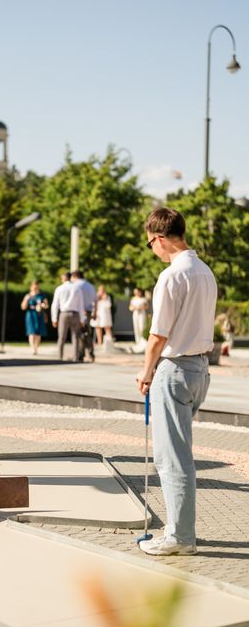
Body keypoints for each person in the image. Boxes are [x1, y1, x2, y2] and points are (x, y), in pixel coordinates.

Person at [136, 206, 217, 556]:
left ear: (159, 239)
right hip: (200, 369)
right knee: (179, 451)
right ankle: (178, 528)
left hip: (175, 370)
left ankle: (180, 536)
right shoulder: (204, 271)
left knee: (172, 457)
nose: (152, 250)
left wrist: (145, 372)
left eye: (150, 244)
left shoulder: (171, 276)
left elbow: (158, 336)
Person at [50, 272, 85, 362]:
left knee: (61, 336)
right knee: (75, 336)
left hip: (64, 314)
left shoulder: (59, 289)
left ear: (64, 278)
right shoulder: (77, 288)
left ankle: (60, 357)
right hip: (75, 314)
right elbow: (81, 305)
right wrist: (82, 319)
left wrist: (54, 318)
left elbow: (55, 305)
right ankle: (75, 357)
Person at [71, 270, 97, 362]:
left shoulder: (75, 286)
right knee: (87, 333)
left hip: (79, 312)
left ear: (75, 276)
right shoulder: (90, 286)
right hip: (89, 311)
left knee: (80, 333)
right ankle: (89, 353)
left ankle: (81, 354)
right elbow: (95, 300)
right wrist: (95, 312)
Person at [21, 281, 49, 355]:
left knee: (38, 332)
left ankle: (36, 347)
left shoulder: (42, 295)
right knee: (31, 332)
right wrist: (26, 300)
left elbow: (46, 305)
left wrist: (43, 305)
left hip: (39, 314)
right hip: (30, 314)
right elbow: (23, 307)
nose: (35, 288)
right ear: (31, 287)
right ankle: (33, 348)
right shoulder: (28, 295)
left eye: (36, 286)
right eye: (34, 287)